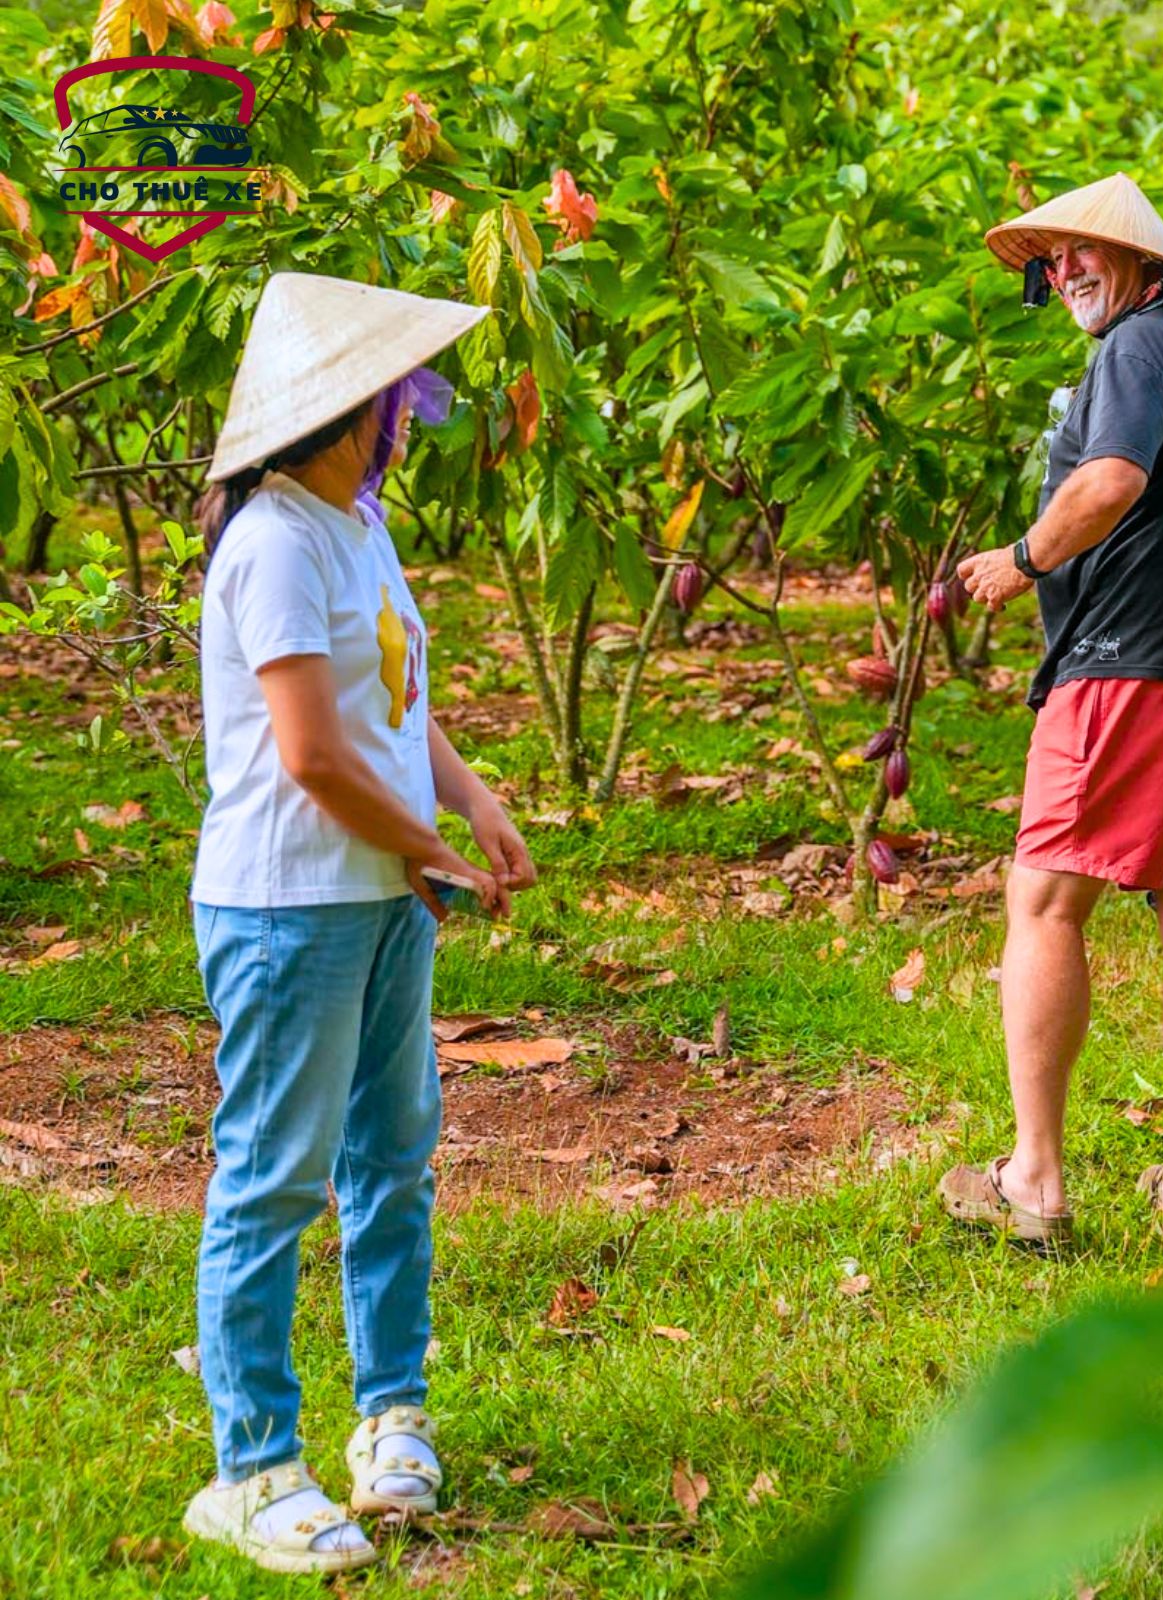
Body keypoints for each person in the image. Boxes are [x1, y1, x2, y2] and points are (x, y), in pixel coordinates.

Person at [180, 272, 535, 1574]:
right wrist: (429, 849)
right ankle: (252, 1465)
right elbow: (315, 756)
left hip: (382, 897)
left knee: (393, 1158)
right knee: (273, 1179)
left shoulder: (359, 518)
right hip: (292, 906)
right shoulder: (272, 539)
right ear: (338, 408)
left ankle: (390, 1415)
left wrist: (473, 803)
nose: (412, 412)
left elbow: (394, 697)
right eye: (394, 395)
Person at [938, 172, 1163, 1245]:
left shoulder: (1135, 348)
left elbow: (1109, 483)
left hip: (1130, 670)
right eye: (1050, 261)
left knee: (1045, 902)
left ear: (1139, 262)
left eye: (1082, 252)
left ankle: (1033, 1178)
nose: (1064, 271)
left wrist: (1019, 556)